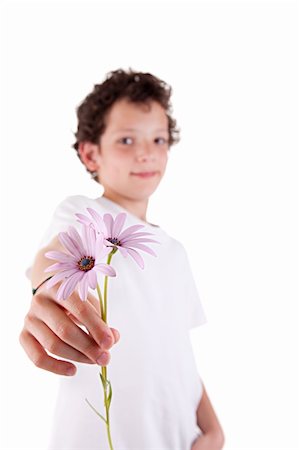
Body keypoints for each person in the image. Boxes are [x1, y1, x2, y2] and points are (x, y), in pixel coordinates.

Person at [19, 68, 225, 450]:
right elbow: (55, 256)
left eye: (158, 139)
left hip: (180, 439)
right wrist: (48, 289)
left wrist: (213, 430)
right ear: (91, 153)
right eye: (127, 140)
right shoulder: (83, 212)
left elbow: (178, 351)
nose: (146, 152)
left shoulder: (175, 251)